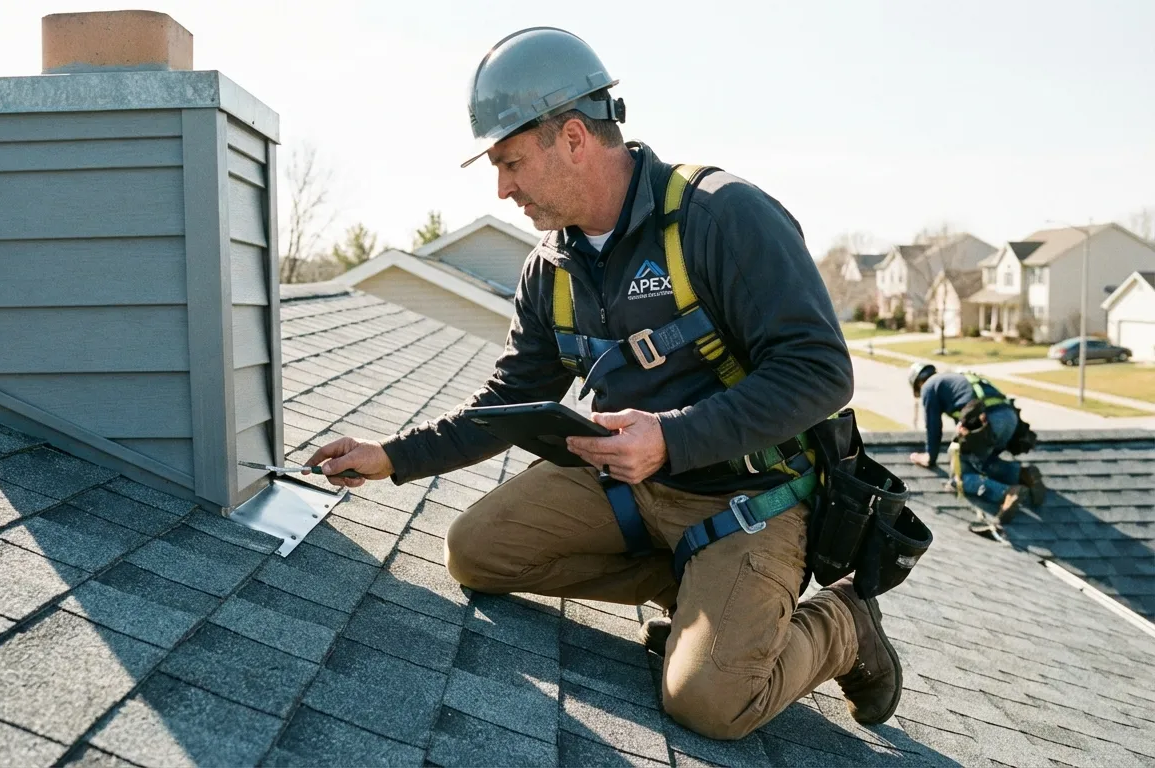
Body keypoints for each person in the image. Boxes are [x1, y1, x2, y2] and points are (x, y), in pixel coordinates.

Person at [307, 27, 901, 740]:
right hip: (628, 487)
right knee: (475, 551)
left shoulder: (721, 217)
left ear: (575, 137)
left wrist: (671, 438)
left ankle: (842, 624)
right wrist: (393, 455)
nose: (503, 188)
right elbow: (505, 401)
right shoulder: (549, 270)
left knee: (710, 704)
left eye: (511, 162)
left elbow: (821, 372)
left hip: (749, 498)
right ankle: (692, 599)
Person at [907, 363, 1046, 522]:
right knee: (981, 463)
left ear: (919, 383)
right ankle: (1022, 474)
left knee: (960, 477)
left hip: (988, 421)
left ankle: (1007, 492)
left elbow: (933, 426)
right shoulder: (955, 378)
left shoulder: (929, 386)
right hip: (1009, 418)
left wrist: (929, 457)